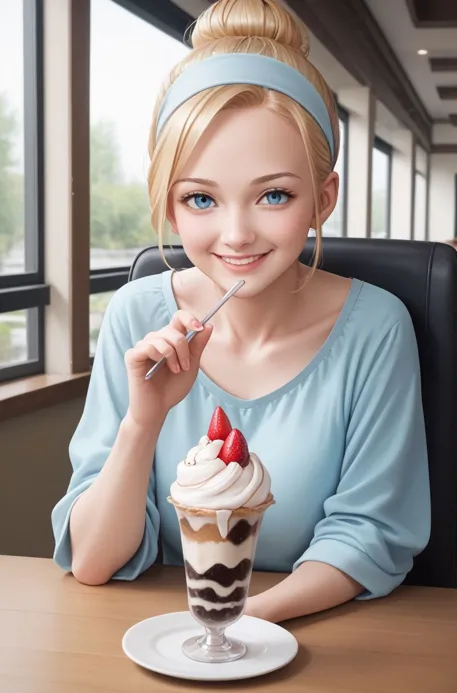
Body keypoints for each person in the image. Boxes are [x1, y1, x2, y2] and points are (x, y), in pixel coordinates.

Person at [51, 0, 430, 624]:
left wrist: (235, 626)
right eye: (201, 198)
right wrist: (142, 424)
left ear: (322, 198)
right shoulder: (137, 314)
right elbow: (92, 562)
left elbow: (368, 535)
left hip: (308, 642)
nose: (236, 235)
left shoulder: (376, 327)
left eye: (274, 194)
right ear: (170, 208)